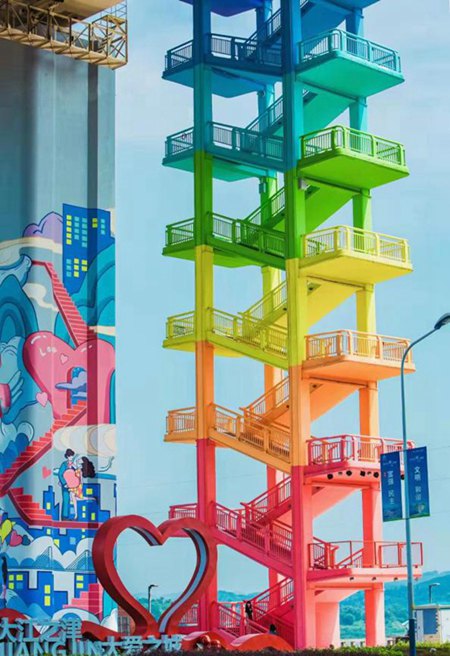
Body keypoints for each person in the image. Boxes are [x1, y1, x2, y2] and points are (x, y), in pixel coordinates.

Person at [58, 449, 75, 520]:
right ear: (67, 456)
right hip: (65, 486)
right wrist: (64, 483)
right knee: (66, 499)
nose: (71, 457)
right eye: (70, 456)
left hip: (72, 485)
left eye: (72, 456)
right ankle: (64, 516)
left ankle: (70, 516)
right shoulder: (64, 464)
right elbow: (60, 474)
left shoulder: (73, 464)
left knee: (72, 500)